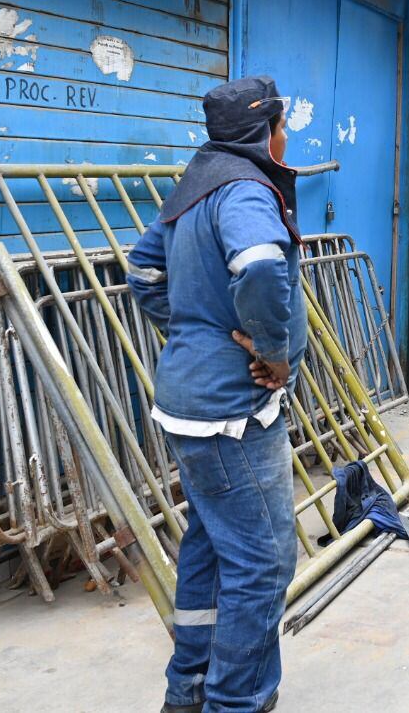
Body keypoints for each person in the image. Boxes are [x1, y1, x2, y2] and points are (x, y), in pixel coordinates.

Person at [128, 76, 306, 713]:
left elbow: (142, 271)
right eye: (284, 125)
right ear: (268, 128)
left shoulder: (195, 185)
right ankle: (238, 702)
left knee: (207, 548)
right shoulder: (244, 189)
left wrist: (191, 331)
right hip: (232, 414)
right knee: (261, 565)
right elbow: (259, 264)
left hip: (187, 402)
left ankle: (189, 692)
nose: (287, 137)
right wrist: (271, 350)